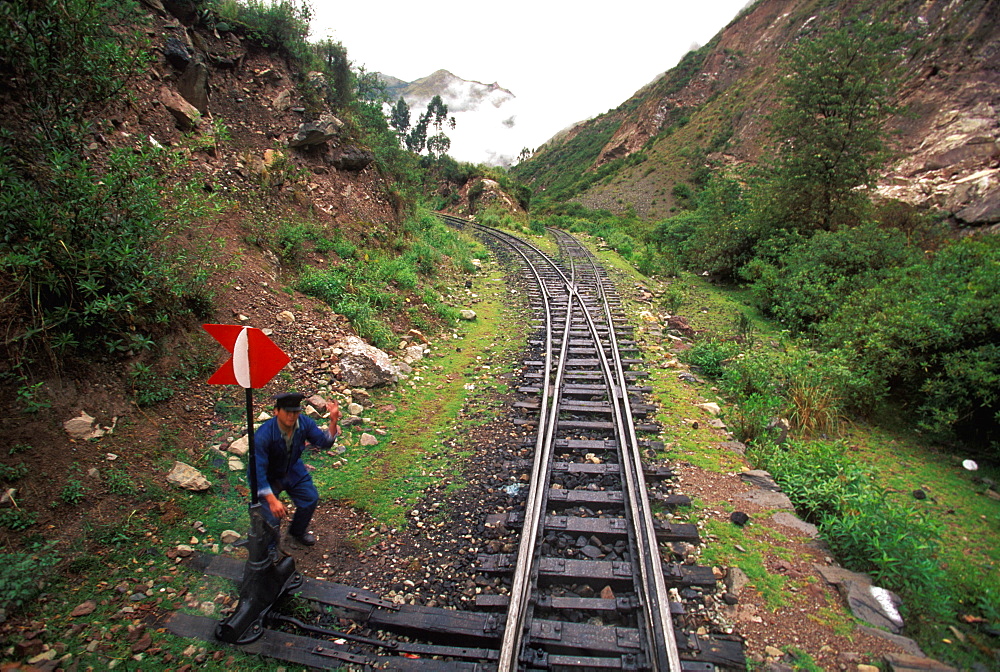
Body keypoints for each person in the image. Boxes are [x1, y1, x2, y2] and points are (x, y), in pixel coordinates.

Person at [252, 392, 340, 546]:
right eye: (287, 412)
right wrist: (272, 500)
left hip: (292, 469)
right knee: (271, 517)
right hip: (268, 476)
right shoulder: (263, 435)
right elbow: (257, 472)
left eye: (295, 412)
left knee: (309, 498)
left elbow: (323, 442)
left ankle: (297, 532)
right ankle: (270, 550)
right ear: (276, 411)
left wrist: (333, 421)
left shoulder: (305, 423)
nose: (291, 416)